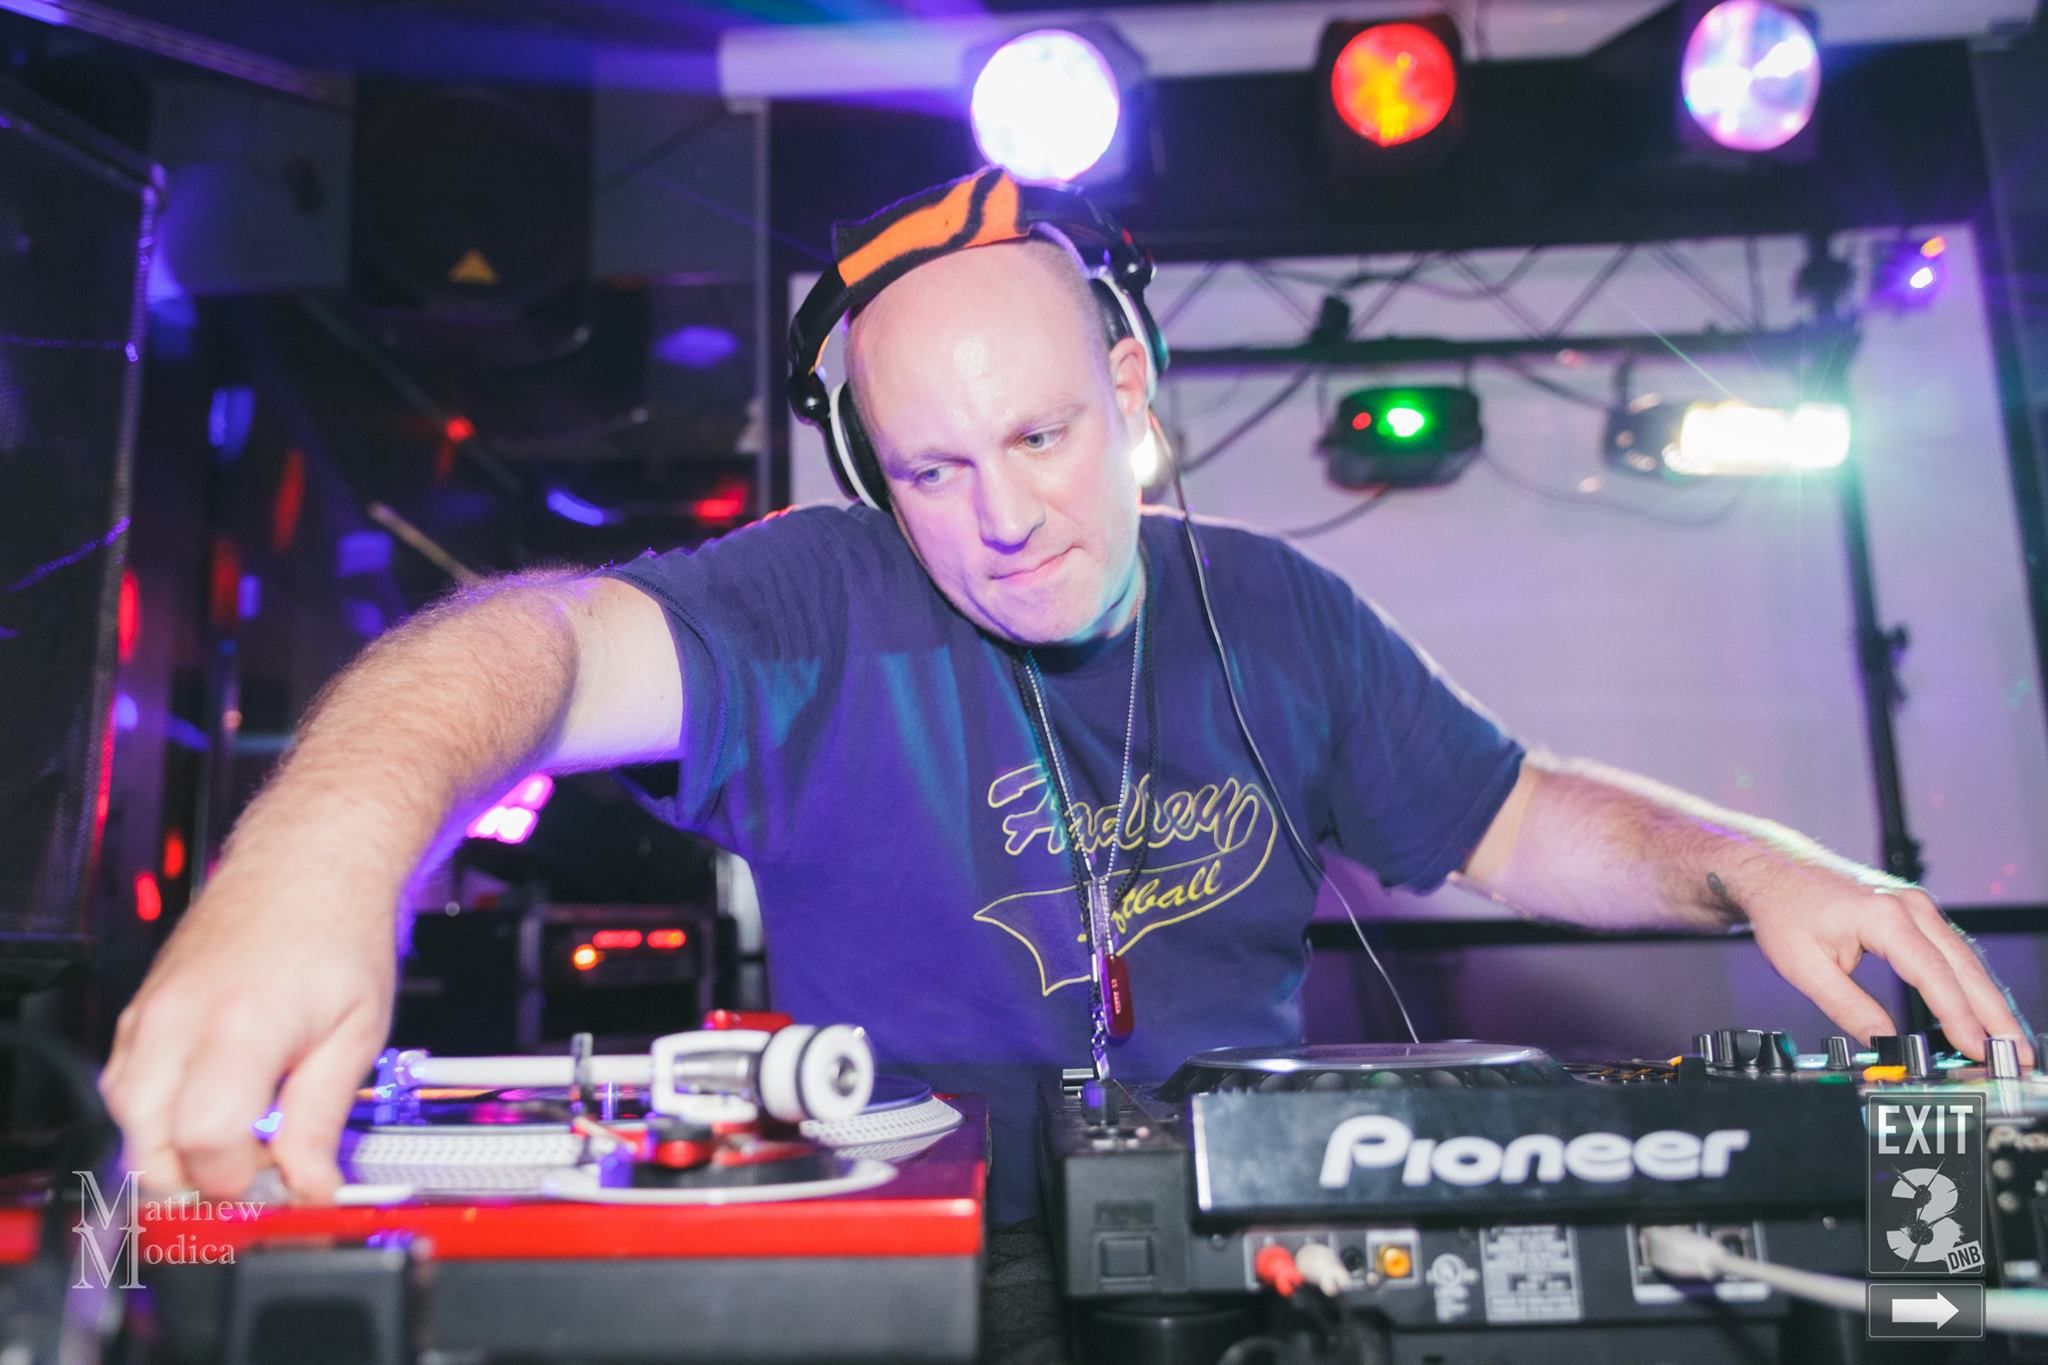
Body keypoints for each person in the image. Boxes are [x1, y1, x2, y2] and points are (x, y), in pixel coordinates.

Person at [100, 169, 2031, 1225]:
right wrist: (324, 853)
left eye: (1036, 436)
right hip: (910, 1258)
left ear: (1128, 392)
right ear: (871, 475)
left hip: (1253, 1247)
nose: (1003, 517)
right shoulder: (814, 596)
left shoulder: (1276, 610)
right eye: (933, 470)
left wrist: (1750, 863)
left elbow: (1517, 816)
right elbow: (513, 650)